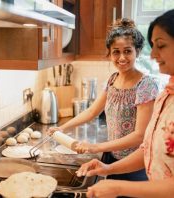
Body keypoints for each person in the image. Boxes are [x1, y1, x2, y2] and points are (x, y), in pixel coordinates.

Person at [76, 9, 174, 198]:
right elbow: (148, 147)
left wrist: (118, 187)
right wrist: (108, 168)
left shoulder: (148, 85)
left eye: (160, 46)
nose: (152, 55)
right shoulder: (166, 96)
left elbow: (139, 137)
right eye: (153, 46)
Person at [48, 18, 159, 181]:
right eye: (116, 51)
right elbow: (93, 111)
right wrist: (62, 128)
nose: (122, 57)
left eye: (128, 51)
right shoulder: (113, 80)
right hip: (111, 156)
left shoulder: (146, 86)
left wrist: (96, 147)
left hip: (135, 163)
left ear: (137, 52)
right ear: (109, 53)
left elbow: (140, 135)